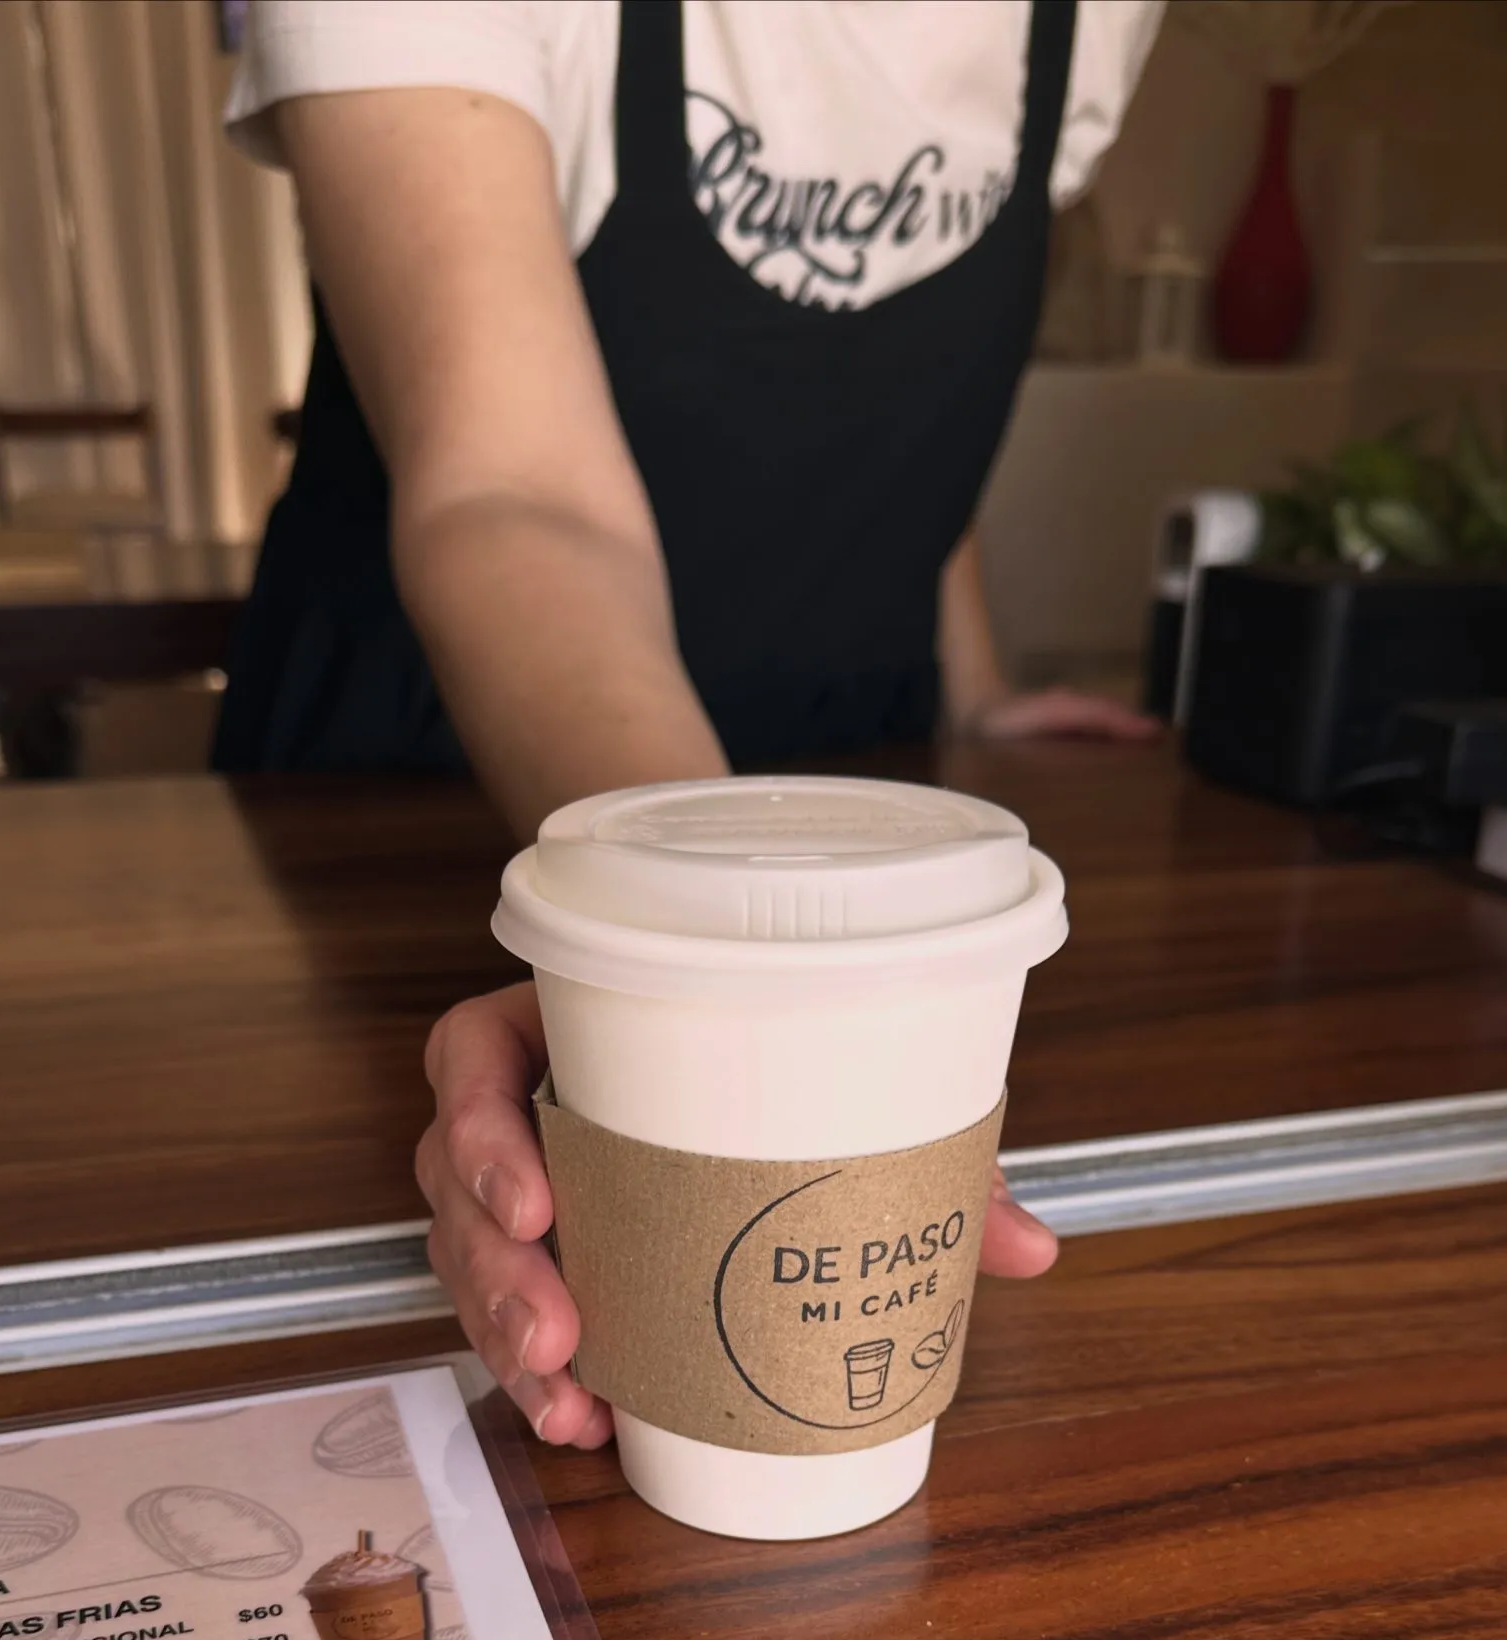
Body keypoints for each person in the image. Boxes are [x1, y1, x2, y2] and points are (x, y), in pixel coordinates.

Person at [222, 0, 1164, 1446]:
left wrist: (968, 690)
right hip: (422, 782)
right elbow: (510, 496)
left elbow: (897, 410)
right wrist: (710, 940)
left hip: (843, 780)